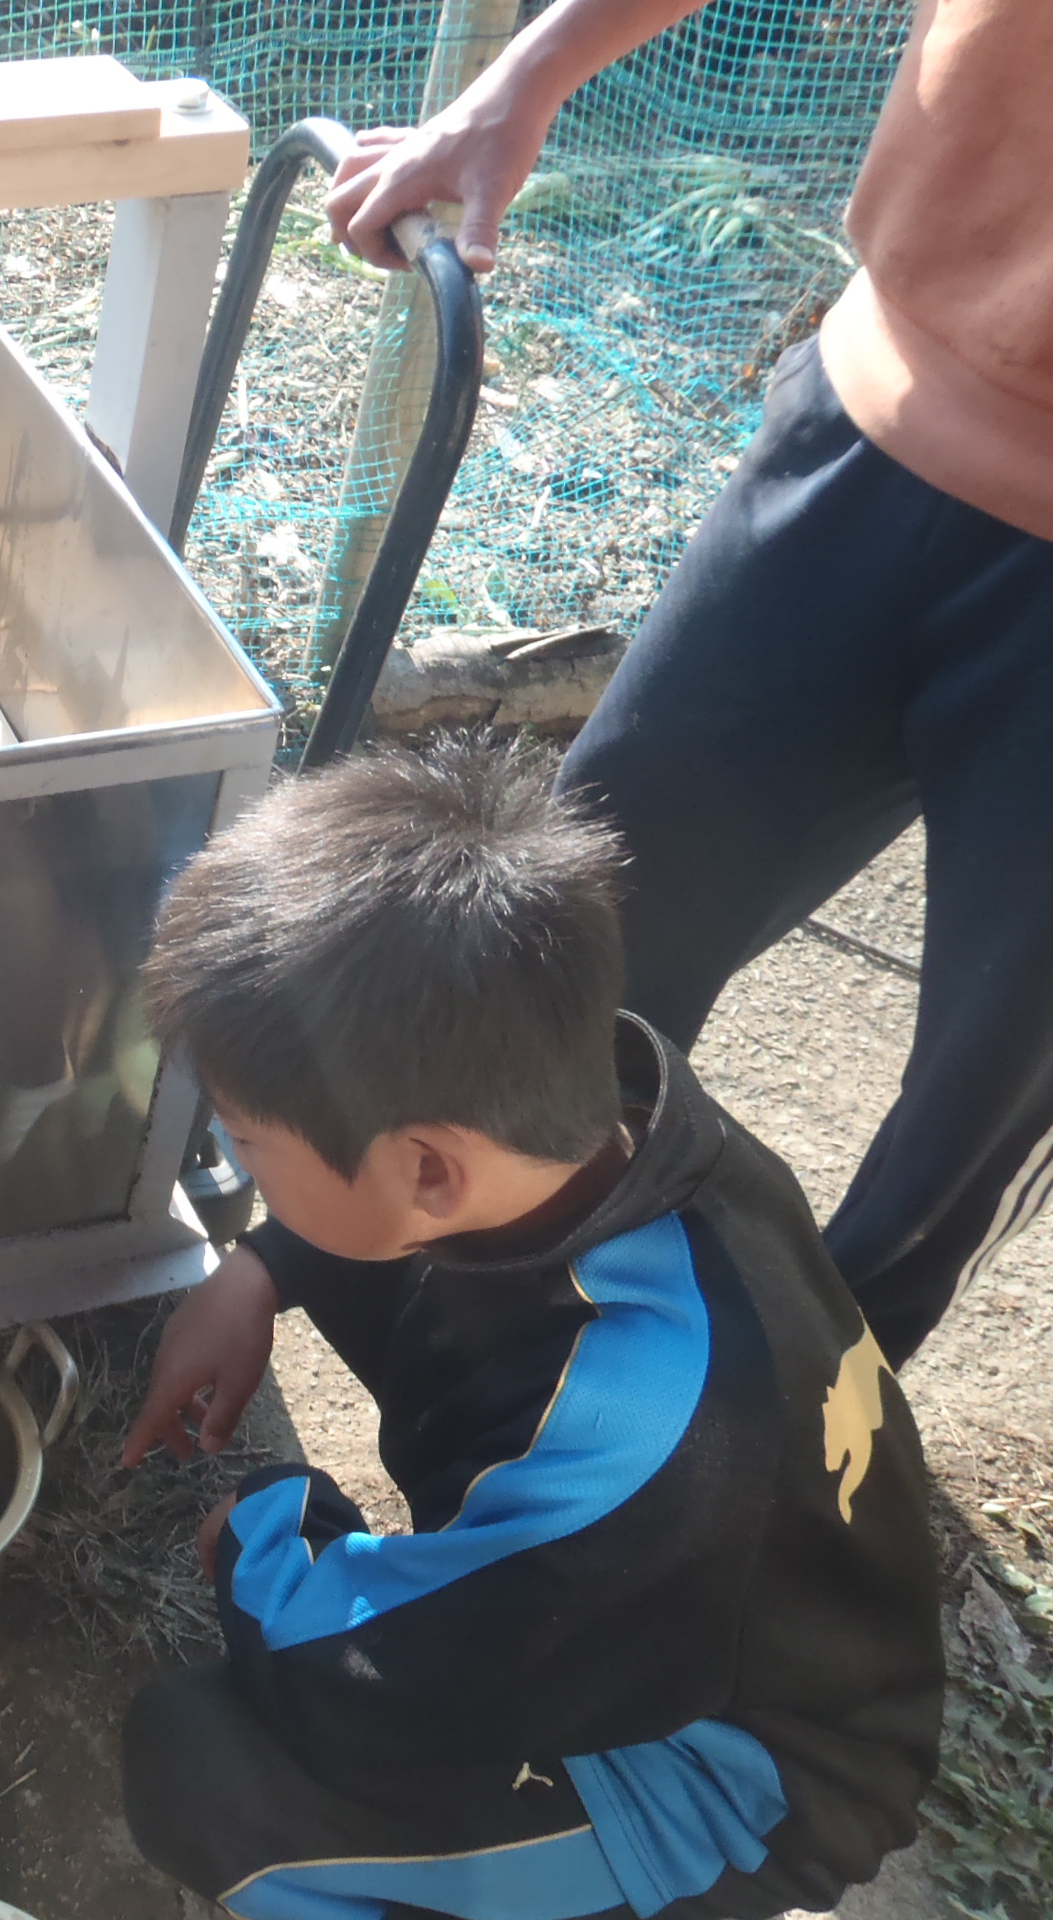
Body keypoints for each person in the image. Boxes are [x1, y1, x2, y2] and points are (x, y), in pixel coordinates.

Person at [321, 0, 1053, 1366]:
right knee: (573, 938)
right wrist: (527, 74)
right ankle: (426, 1328)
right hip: (878, 412)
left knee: (967, 1125)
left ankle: (804, 1440)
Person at [116, 738, 940, 1920]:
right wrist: (259, 1267)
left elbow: (373, 1695)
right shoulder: (628, 1127)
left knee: (195, 1767)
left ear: (428, 1169)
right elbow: (385, 1210)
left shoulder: (624, 1446)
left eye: (247, 1142)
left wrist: (267, 1527)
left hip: (737, 1787)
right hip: (679, 1621)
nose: (235, 1160)